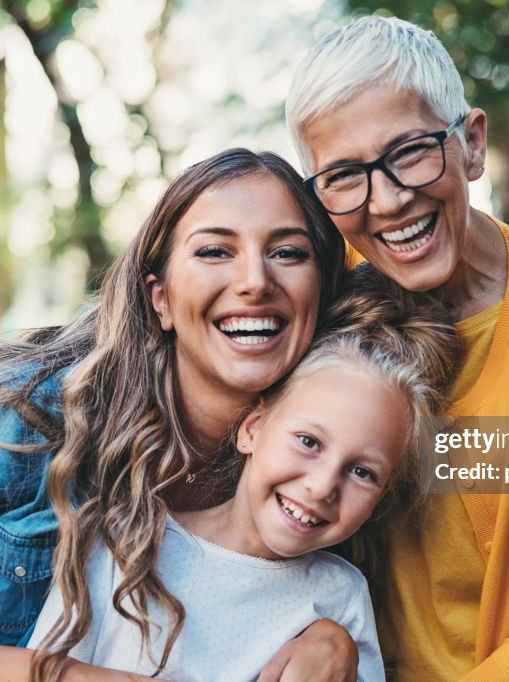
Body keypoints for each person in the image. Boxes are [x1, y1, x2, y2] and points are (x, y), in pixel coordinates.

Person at [0, 148, 355, 682]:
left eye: (288, 253)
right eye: (215, 252)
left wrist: (331, 636)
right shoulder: (26, 418)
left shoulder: (328, 458)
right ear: (159, 298)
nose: (256, 281)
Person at [286, 16, 509, 681]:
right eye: (344, 175)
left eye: (410, 151)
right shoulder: (320, 308)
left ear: (471, 144)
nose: (389, 201)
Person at [27, 277, 463, 681]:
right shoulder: (128, 540)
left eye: (362, 472)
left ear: (380, 499)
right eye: (309, 442)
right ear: (252, 428)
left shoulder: (341, 597)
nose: (322, 486)